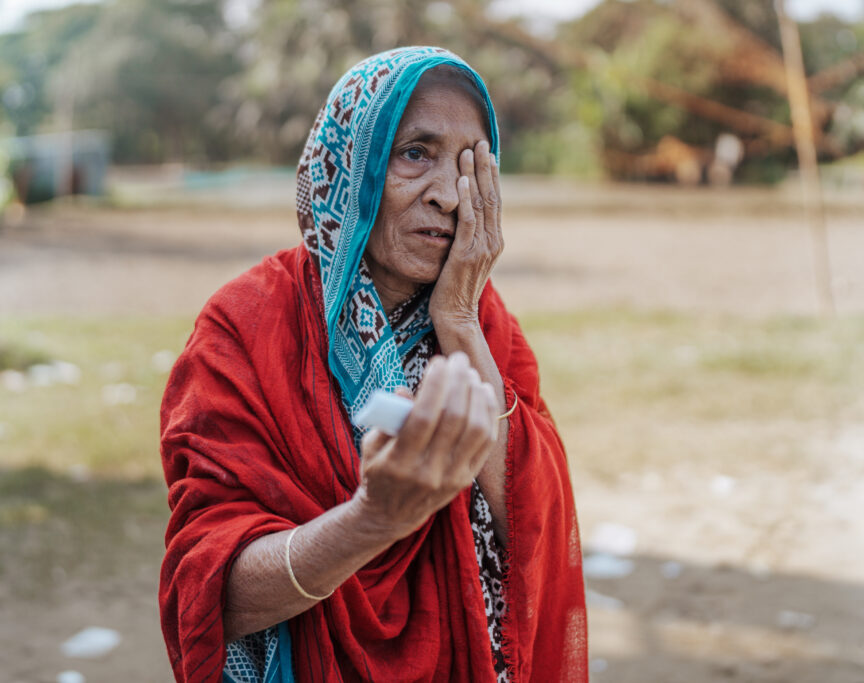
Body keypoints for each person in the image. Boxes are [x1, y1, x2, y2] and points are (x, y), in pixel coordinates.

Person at [158, 47, 588, 682]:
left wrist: (462, 322)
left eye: (472, 165)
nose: (448, 196)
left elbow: (535, 525)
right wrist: (371, 522)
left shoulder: (485, 322)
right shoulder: (246, 326)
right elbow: (210, 590)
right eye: (416, 152)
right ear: (347, 162)